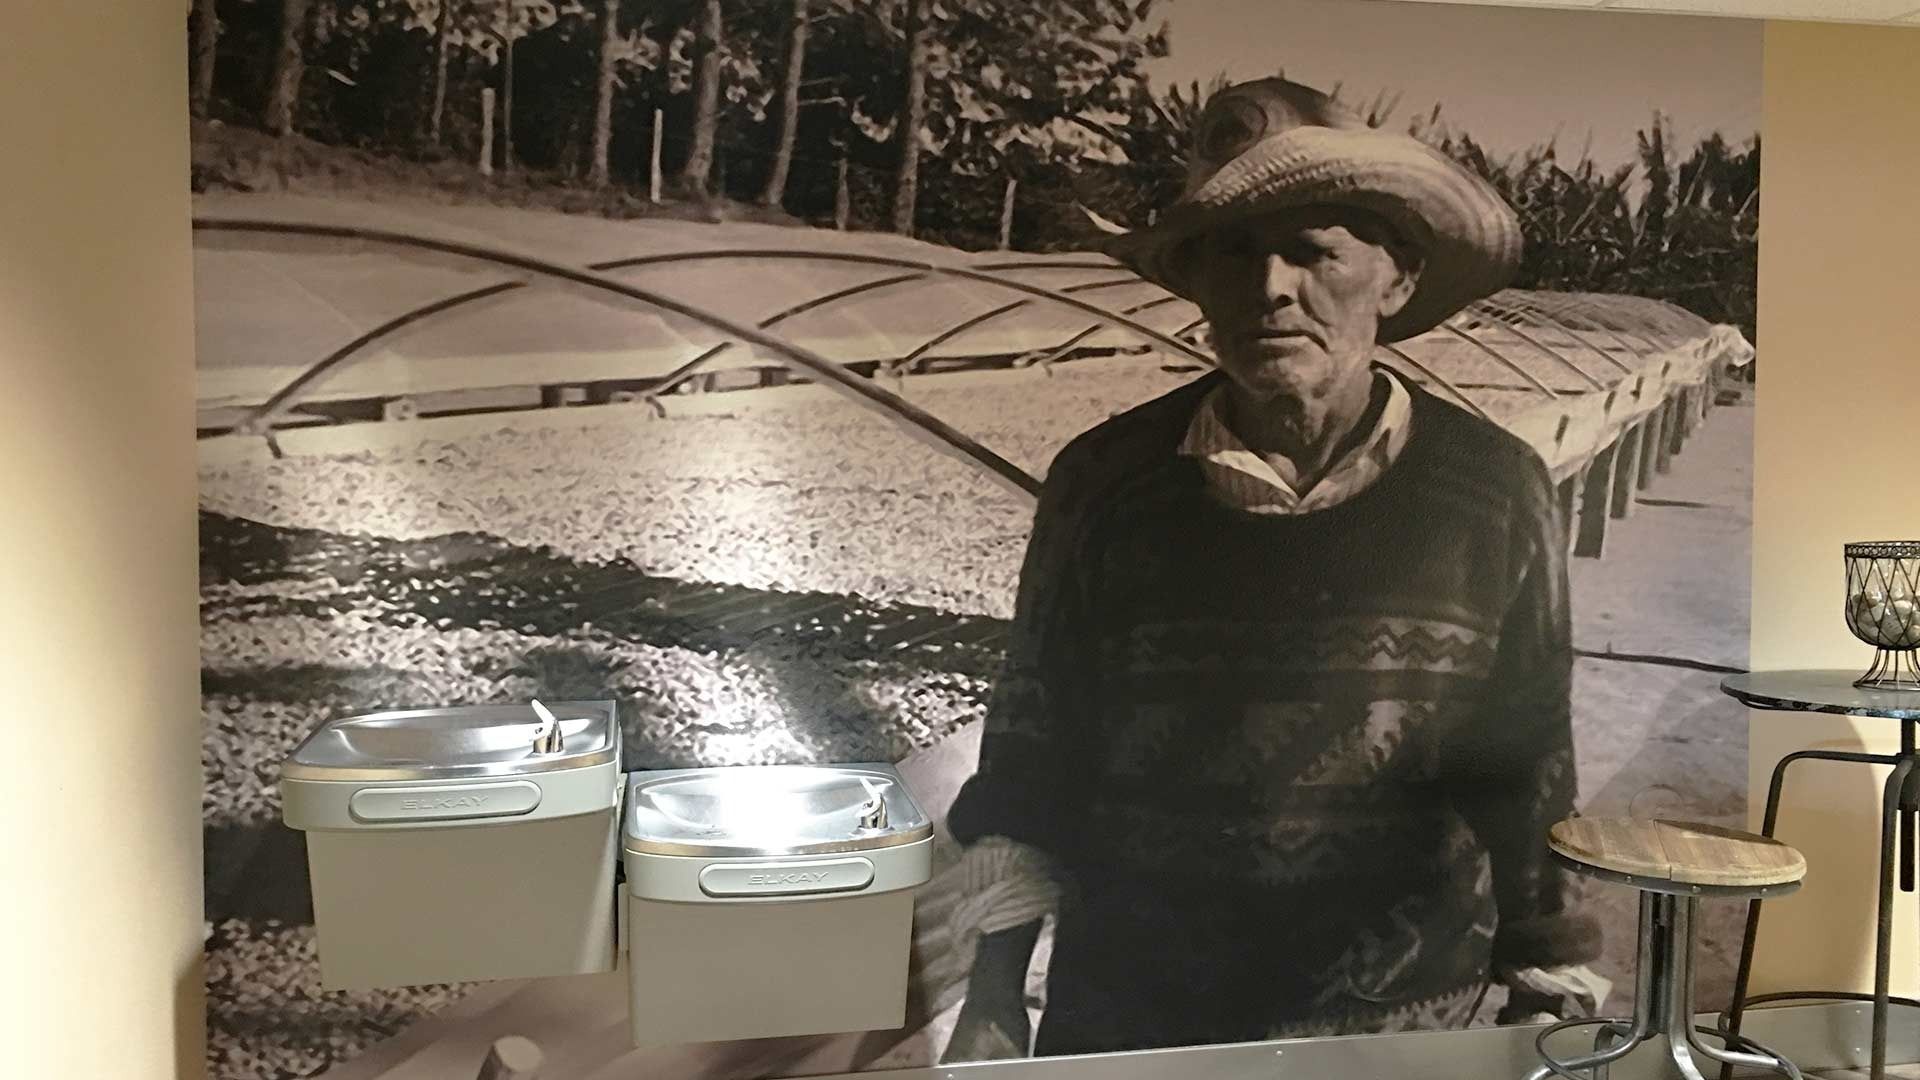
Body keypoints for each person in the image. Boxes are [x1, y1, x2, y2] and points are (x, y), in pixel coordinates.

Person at [940, 77, 1603, 1060]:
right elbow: (1035, 743)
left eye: (1312, 250)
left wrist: (1546, 985)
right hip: (1138, 1024)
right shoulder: (1105, 483)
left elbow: (1530, 755)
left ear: (1399, 277)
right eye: (1236, 251)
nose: (1270, 288)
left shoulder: (1494, 489)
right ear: (1197, 280)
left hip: (1404, 1028)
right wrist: (994, 999)